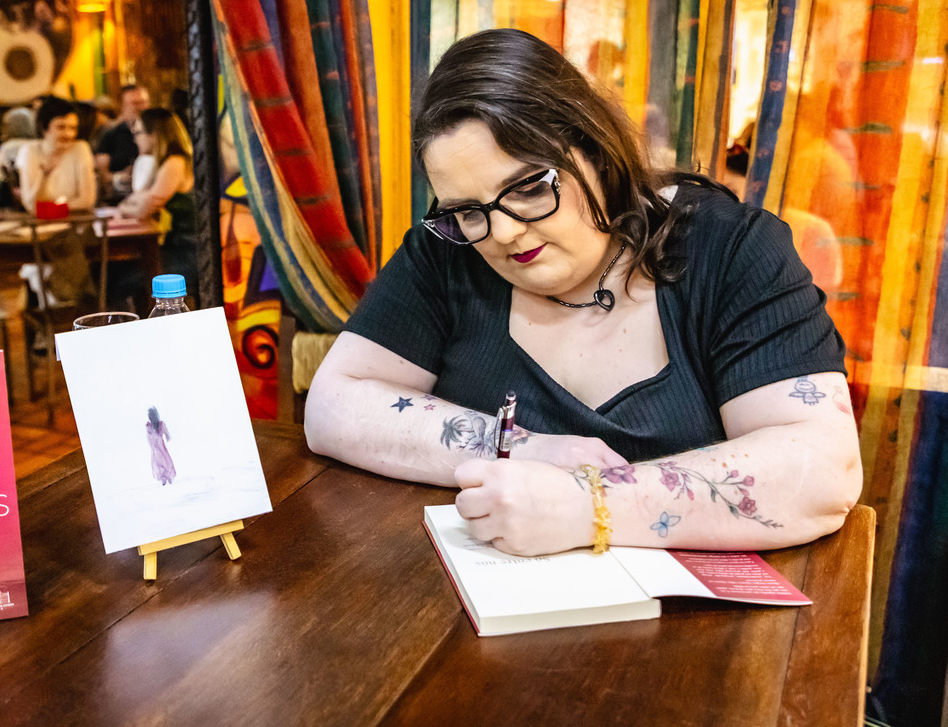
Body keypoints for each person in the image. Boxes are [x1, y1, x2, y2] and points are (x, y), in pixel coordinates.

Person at [304, 29, 862, 558]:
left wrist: (587, 505)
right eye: (468, 210)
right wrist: (523, 448)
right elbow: (332, 406)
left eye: (528, 188)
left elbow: (823, 468)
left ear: (594, 148)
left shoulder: (731, 250)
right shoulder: (448, 251)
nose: (503, 232)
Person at [117, 107, 197, 296]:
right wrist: (132, 203)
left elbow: (145, 207)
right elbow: (141, 197)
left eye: (138, 133)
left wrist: (124, 208)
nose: (135, 139)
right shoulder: (164, 162)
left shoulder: (175, 162)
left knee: (120, 283)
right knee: (120, 275)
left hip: (189, 251)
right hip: (178, 246)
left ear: (153, 135)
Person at [14, 96, 97, 214]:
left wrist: (50, 210)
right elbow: (30, 204)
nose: (68, 134)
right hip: (40, 223)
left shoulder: (80, 149)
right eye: (61, 127)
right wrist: (44, 175)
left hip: (74, 220)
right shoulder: (29, 151)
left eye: (73, 128)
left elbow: (87, 200)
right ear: (45, 128)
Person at [95, 84, 149, 197]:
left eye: (144, 102)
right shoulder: (111, 134)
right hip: (121, 196)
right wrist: (118, 177)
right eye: (135, 103)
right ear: (122, 107)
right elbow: (101, 172)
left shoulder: (156, 133)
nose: (141, 107)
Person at [145, 406, 177, 485]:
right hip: (156, 449)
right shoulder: (149, 426)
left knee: (164, 462)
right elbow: (148, 438)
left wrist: (167, 437)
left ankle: (167, 477)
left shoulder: (160, 424)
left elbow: (167, 435)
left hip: (160, 448)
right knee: (159, 463)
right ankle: (164, 477)